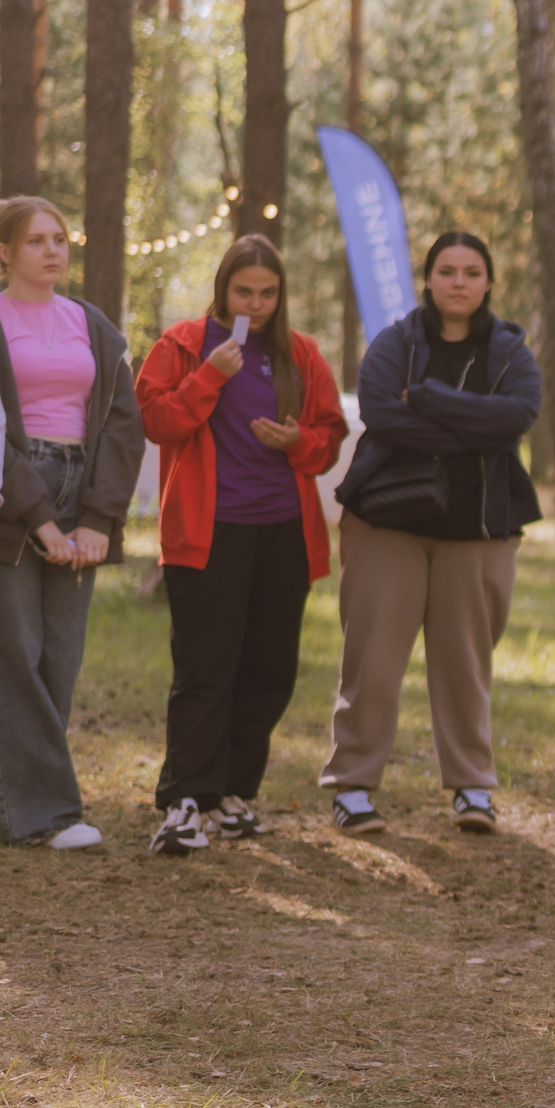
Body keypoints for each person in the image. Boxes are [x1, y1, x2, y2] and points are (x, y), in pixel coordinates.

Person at [322, 231, 543, 836]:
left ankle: (473, 788)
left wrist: (428, 399)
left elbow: (519, 415)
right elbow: (380, 411)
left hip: (477, 528)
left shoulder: (509, 350)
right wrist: (476, 430)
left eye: (472, 272)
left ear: (489, 282)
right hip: (388, 522)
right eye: (448, 270)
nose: (459, 282)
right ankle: (354, 788)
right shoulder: (397, 342)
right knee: (372, 659)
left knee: (465, 662)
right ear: (429, 279)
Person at [137, 236, 349, 855]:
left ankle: (233, 796)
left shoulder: (300, 355)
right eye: (243, 291)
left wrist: (295, 442)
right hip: (206, 535)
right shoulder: (182, 345)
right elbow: (158, 421)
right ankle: (183, 804)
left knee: (269, 670)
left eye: (267, 293)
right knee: (206, 669)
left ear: (280, 296)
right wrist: (211, 375)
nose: (255, 304)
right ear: (222, 289)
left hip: (283, 533)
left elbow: (327, 438)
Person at [0, 197, 143, 849]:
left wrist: (96, 519)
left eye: (60, 238)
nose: (54, 250)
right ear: (5, 252)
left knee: (58, 657)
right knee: (15, 653)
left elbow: (122, 424)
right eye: (36, 240)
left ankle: (15, 807)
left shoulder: (93, 324)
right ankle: (51, 813)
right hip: (10, 493)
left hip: (80, 489)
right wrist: (37, 518)